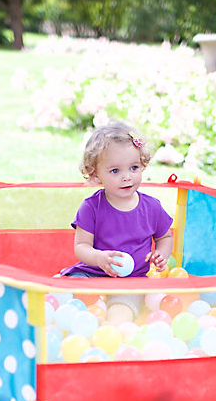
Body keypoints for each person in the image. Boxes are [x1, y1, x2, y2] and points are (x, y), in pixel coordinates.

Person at [59, 120, 174, 324]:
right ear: (95, 173)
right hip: (91, 274)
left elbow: (165, 236)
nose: (126, 177)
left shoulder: (152, 207)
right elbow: (81, 246)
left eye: (133, 167)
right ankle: (82, 322)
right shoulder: (91, 207)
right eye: (115, 171)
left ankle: (109, 330)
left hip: (131, 282)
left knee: (121, 313)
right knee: (65, 293)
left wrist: (161, 254)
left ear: (143, 164)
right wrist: (98, 258)